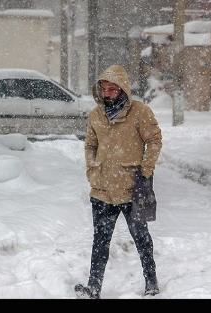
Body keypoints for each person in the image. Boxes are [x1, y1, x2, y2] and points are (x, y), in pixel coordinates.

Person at [75, 64, 162, 299]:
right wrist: (92, 169)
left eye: (112, 89)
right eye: (104, 89)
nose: (107, 94)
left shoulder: (140, 112)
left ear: (123, 90)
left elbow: (154, 141)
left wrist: (145, 170)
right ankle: (94, 288)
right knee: (100, 241)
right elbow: (90, 145)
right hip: (102, 189)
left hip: (132, 188)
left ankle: (151, 281)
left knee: (141, 237)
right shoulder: (95, 115)